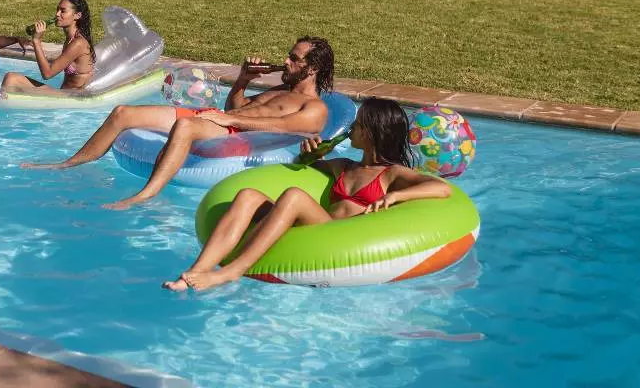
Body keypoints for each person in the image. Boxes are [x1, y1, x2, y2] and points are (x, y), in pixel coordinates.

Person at [163, 97, 452, 291]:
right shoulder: (343, 166)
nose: (352, 128)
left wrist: (394, 197)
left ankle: (232, 271)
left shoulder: (391, 174)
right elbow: (298, 167)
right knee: (248, 195)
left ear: (374, 133)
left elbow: (441, 188)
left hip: (340, 236)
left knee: (294, 196)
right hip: (317, 224)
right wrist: (310, 157)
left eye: (359, 125)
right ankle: (194, 272)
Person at [22, 36, 334, 211]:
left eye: (295, 58)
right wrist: (242, 80)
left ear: (313, 67)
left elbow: (280, 128)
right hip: (222, 120)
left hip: (233, 132)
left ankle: (144, 196)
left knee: (184, 127)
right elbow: (235, 105)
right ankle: (69, 163)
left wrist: (231, 119)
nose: (287, 61)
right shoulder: (281, 89)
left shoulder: (314, 107)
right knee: (122, 113)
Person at [0, 0, 95, 96]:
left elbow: (47, 74)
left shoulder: (78, 43)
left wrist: (36, 40)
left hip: (72, 99)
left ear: (77, 15)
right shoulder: (70, 39)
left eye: (63, 11)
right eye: (57, 10)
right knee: (11, 77)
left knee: (11, 80)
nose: (57, 14)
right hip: (63, 93)